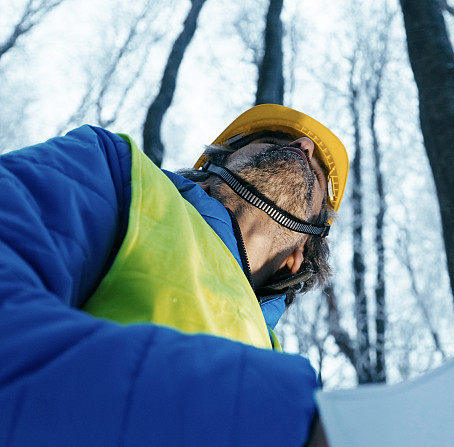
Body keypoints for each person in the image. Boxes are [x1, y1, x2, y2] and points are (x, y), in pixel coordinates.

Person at [0, 104, 347, 446]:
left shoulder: (281, 364)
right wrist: (272, 418)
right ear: (215, 163)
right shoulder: (117, 170)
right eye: (274, 138)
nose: (305, 146)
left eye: (315, 175)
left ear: (299, 255)